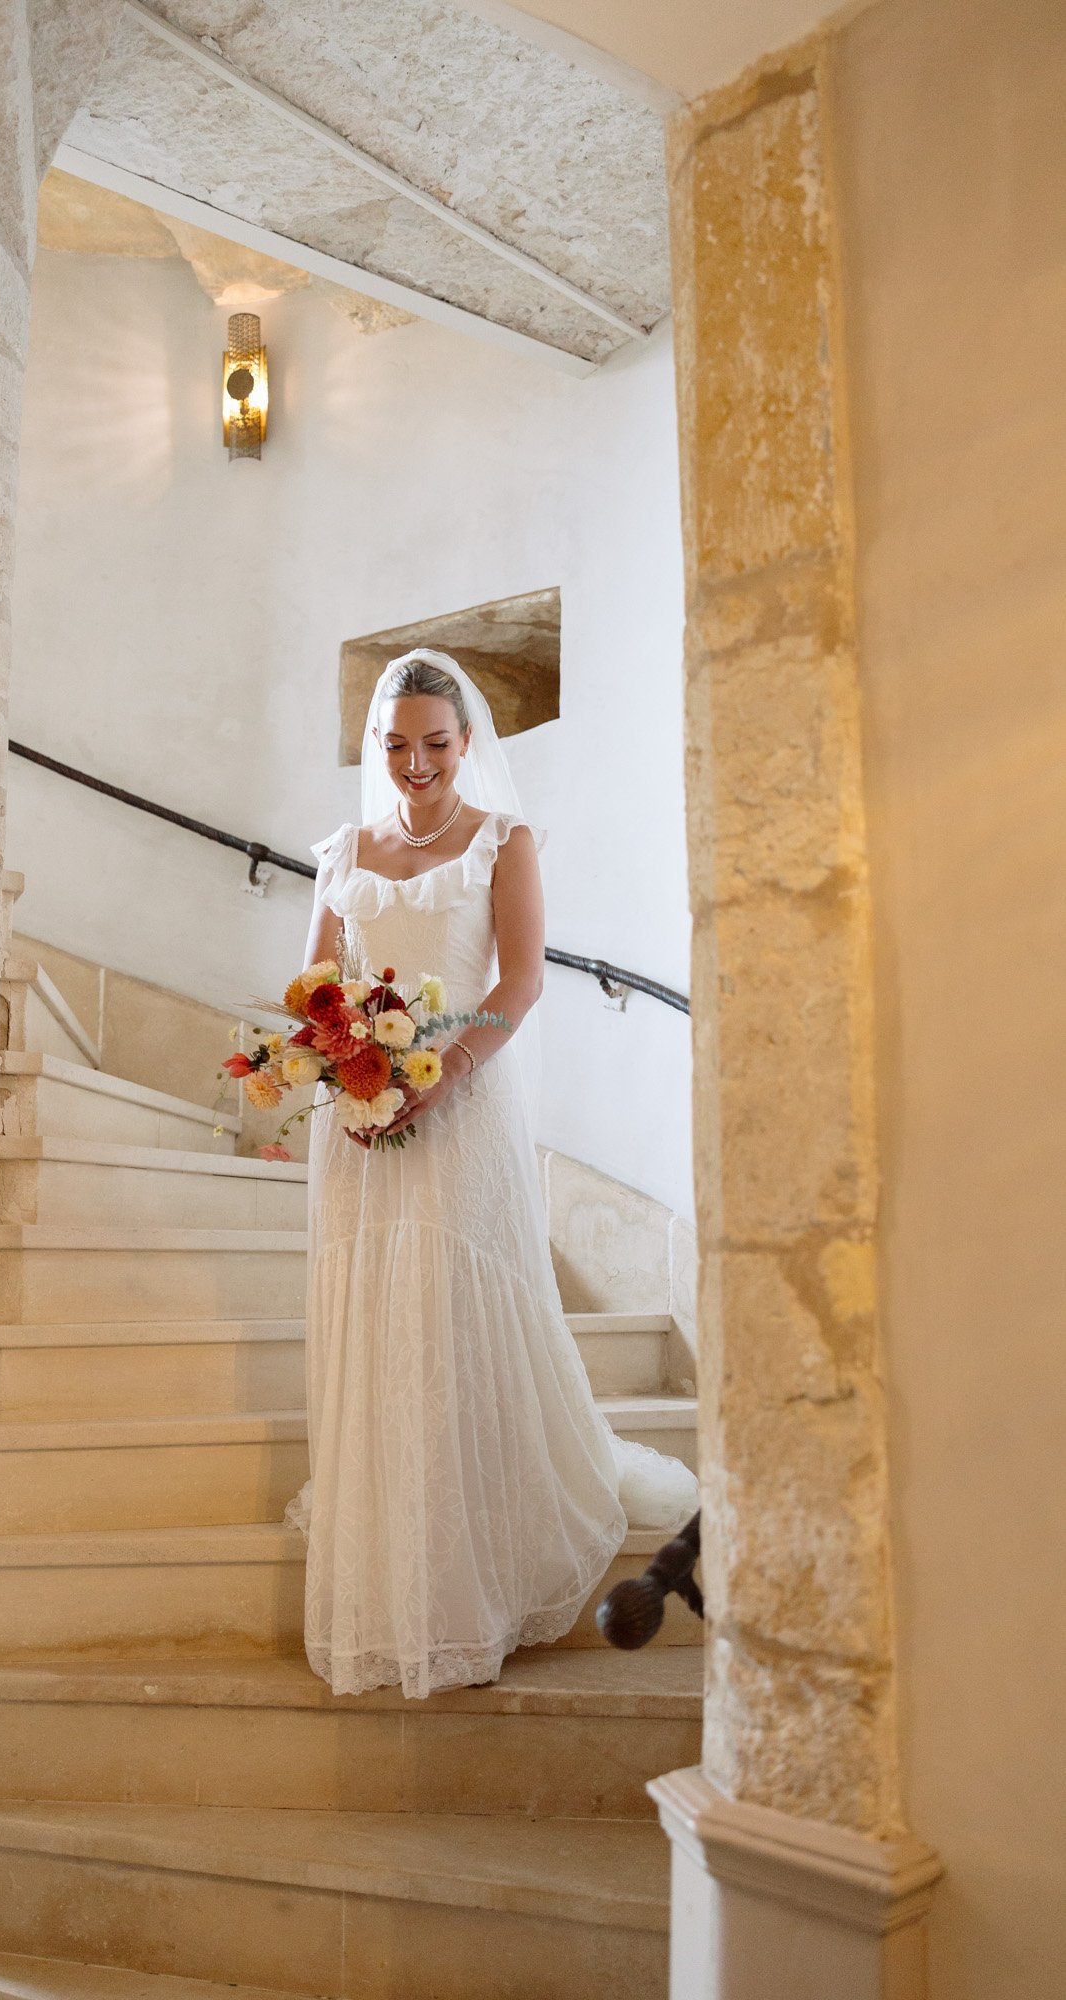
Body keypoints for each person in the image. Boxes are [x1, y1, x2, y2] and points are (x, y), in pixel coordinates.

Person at [285, 649, 697, 1699]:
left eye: (434, 742)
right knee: (375, 1311)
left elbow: (518, 982)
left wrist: (441, 1067)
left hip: (462, 1109)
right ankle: (386, 1562)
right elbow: (313, 986)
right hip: (362, 1118)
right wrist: (344, 1058)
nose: (415, 762)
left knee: (449, 1308)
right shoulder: (343, 849)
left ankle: (471, 1575)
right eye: (396, 745)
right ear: (376, 749)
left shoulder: (501, 842)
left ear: (465, 743)